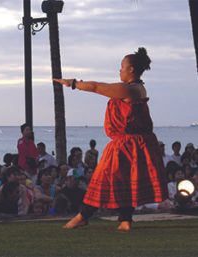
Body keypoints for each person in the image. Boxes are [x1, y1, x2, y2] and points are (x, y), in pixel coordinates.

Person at [54, 47, 168, 231]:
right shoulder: (137, 87)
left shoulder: (129, 90)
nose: (119, 70)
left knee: (104, 177)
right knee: (125, 179)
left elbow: (97, 87)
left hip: (127, 144)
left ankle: (83, 215)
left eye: (122, 67)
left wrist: (73, 83)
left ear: (131, 70)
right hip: (133, 143)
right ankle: (124, 220)